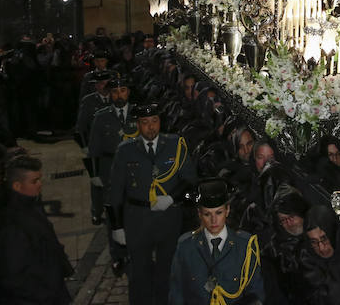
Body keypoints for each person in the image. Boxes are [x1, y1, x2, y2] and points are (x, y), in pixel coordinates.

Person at [109, 102, 197, 305]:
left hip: (168, 218)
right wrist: (117, 226)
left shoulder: (175, 144)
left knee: (168, 269)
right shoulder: (126, 149)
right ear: (138, 124)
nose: (150, 127)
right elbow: (115, 191)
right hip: (136, 218)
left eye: (154, 121)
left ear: (160, 122)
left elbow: (190, 180)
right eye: (145, 122)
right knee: (139, 272)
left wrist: (172, 198)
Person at [0, 155, 73, 304]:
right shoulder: (11, 224)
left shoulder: (31, 205)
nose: (40, 184)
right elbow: (12, 275)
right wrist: (45, 294)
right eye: (34, 181)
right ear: (17, 186)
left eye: (39, 179)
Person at [168, 178, 264, 304]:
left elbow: (256, 294)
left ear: (227, 210)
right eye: (207, 214)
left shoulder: (245, 245)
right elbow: (177, 293)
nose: (214, 220)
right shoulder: (186, 246)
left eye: (218, 213)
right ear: (199, 214)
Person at [88, 75, 137, 272]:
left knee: (135, 212)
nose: (119, 95)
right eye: (115, 91)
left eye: (123, 90)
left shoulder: (138, 114)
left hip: (135, 171)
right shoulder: (101, 117)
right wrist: (95, 175)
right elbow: (93, 149)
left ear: (128, 92)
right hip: (110, 169)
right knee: (114, 214)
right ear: (110, 94)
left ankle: (135, 249)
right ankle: (117, 255)